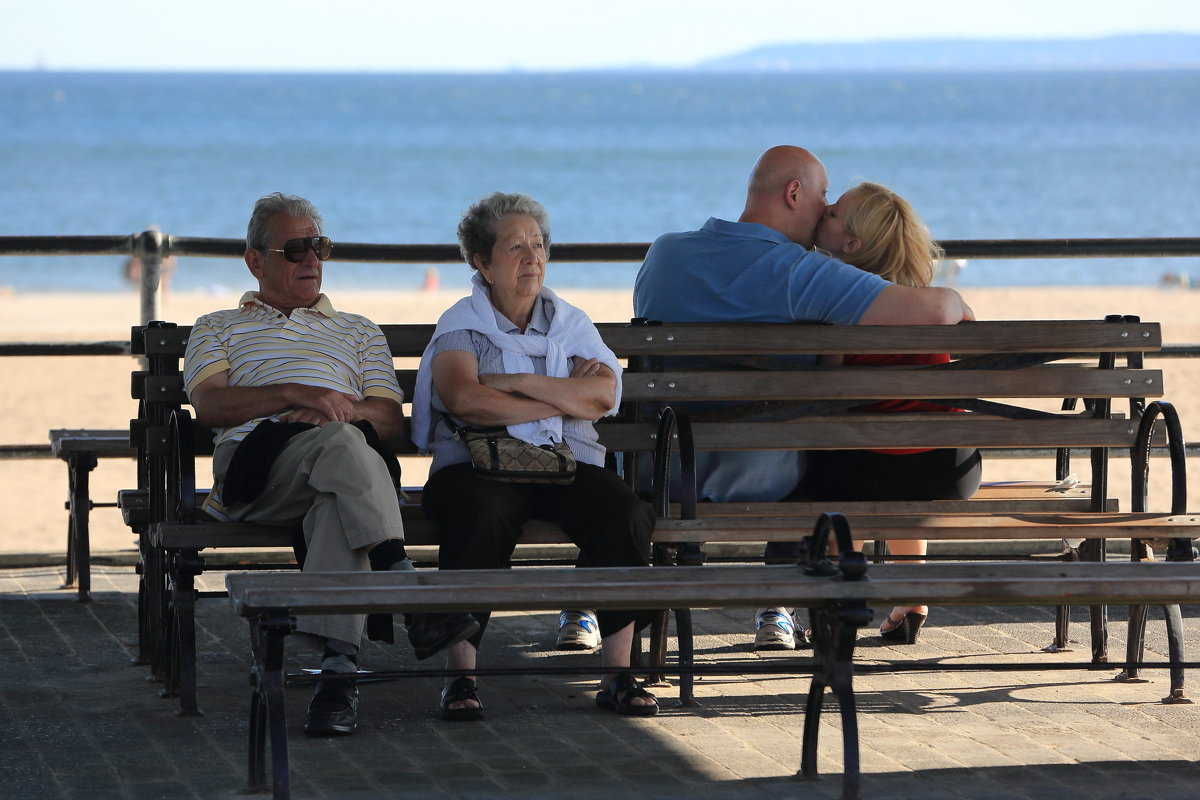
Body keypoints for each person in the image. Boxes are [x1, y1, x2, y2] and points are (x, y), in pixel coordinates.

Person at [633, 145, 974, 652]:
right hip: (764, 479)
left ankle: (602, 612)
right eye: (824, 197)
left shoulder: (664, 253)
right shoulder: (800, 273)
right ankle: (782, 602)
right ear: (795, 193)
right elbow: (940, 309)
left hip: (656, 472)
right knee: (816, 452)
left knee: (828, 449)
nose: (824, 208)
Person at [182, 193, 478, 737]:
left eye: (319, 246)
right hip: (257, 466)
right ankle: (406, 591)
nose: (312, 260)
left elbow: (388, 418)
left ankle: (337, 682)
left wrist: (330, 411)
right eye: (296, 249)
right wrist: (294, 395)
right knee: (345, 446)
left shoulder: (359, 330)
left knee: (337, 493)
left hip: (342, 471)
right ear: (255, 260)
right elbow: (211, 407)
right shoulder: (217, 326)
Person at [411, 192, 658, 720]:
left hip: (563, 463)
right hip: (477, 465)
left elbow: (603, 397)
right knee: (477, 512)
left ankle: (617, 673)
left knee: (625, 512)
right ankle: (461, 677)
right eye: (515, 246)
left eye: (539, 244)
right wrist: (561, 391)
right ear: (482, 261)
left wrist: (521, 382)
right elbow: (465, 401)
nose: (532, 257)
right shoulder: (460, 324)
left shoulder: (570, 322)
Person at [807, 180, 983, 643]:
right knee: (900, 455)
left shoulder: (838, 309)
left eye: (833, 213)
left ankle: (845, 595)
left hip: (863, 468)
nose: (823, 210)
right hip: (948, 470)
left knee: (842, 462)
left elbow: (823, 393)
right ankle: (912, 595)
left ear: (851, 245)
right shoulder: (929, 304)